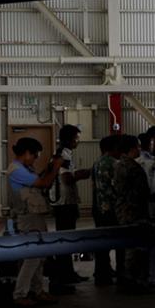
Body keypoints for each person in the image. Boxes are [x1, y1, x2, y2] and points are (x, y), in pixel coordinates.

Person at [7, 137, 63, 308]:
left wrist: (48, 168)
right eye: (35, 155)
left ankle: (37, 291)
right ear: (26, 153)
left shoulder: (24, 168)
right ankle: (20, 294)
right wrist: (56, 168)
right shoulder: (17, 170)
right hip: (28, 217)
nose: (36, 159)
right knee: (32, 256)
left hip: (34, 215)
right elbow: (44, 183)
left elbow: (38, 181)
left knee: (40, 255)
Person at [47, 124, 91, 294]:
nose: (78, 141)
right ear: (69, 138)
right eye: (77, 138)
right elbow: (66, 178)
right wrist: (85, 173)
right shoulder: (63, 155)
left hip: (65, 202)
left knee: (67, 237)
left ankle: (68, 272)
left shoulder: (64, 153)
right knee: (66, 238)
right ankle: (64, 274)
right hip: (64, 203)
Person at [113, 135, 152, 291]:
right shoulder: (134, 168)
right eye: (138, 147)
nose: (140, 149)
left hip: (122, 210)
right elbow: (143, 192)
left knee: (126, 246)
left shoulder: (118, 165)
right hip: (134, 211)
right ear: (131, 148)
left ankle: (125, 279)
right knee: (135, 249)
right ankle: (133, 281)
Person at [91, 134, 120, 286]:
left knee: (102, 244)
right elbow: (117, 187)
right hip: (113, 209)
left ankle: (102, 274)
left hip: (99, 208)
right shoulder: (114, 163)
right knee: (120, 243)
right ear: (114, 147)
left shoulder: (97, 162)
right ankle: (121, 275)